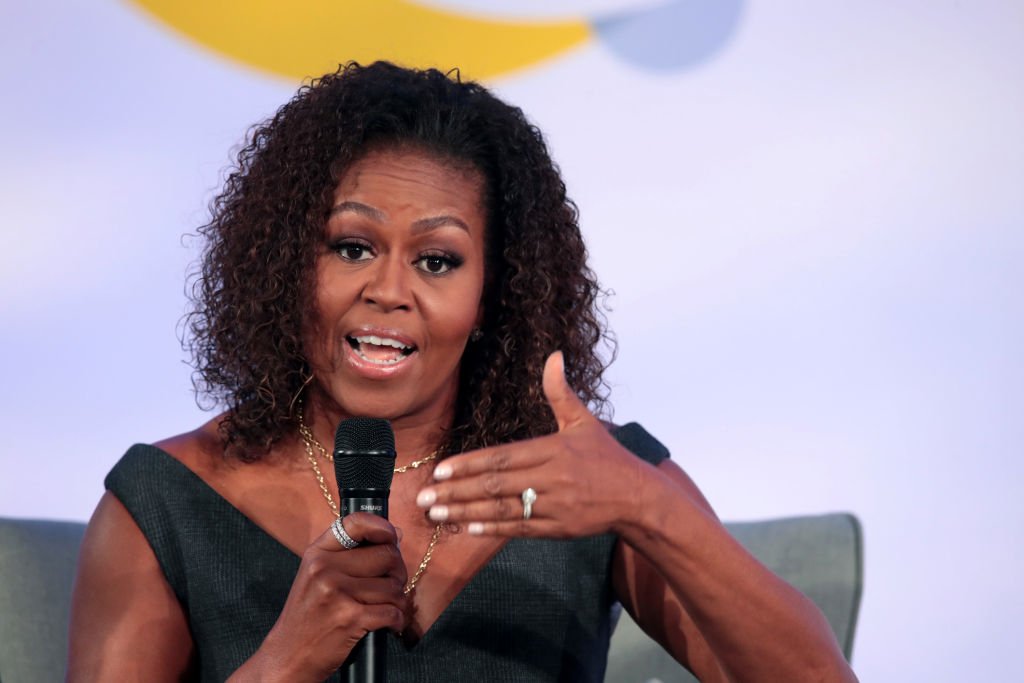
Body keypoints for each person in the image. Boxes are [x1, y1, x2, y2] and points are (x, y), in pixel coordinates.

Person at [68, 61, 857, 682]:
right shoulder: (166, 504)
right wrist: (285, 661)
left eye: (438, 260)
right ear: (284, 267)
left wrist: (650, 508)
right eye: (352, 247)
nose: (388, 290)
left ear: (491, 294)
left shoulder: (594, 482)